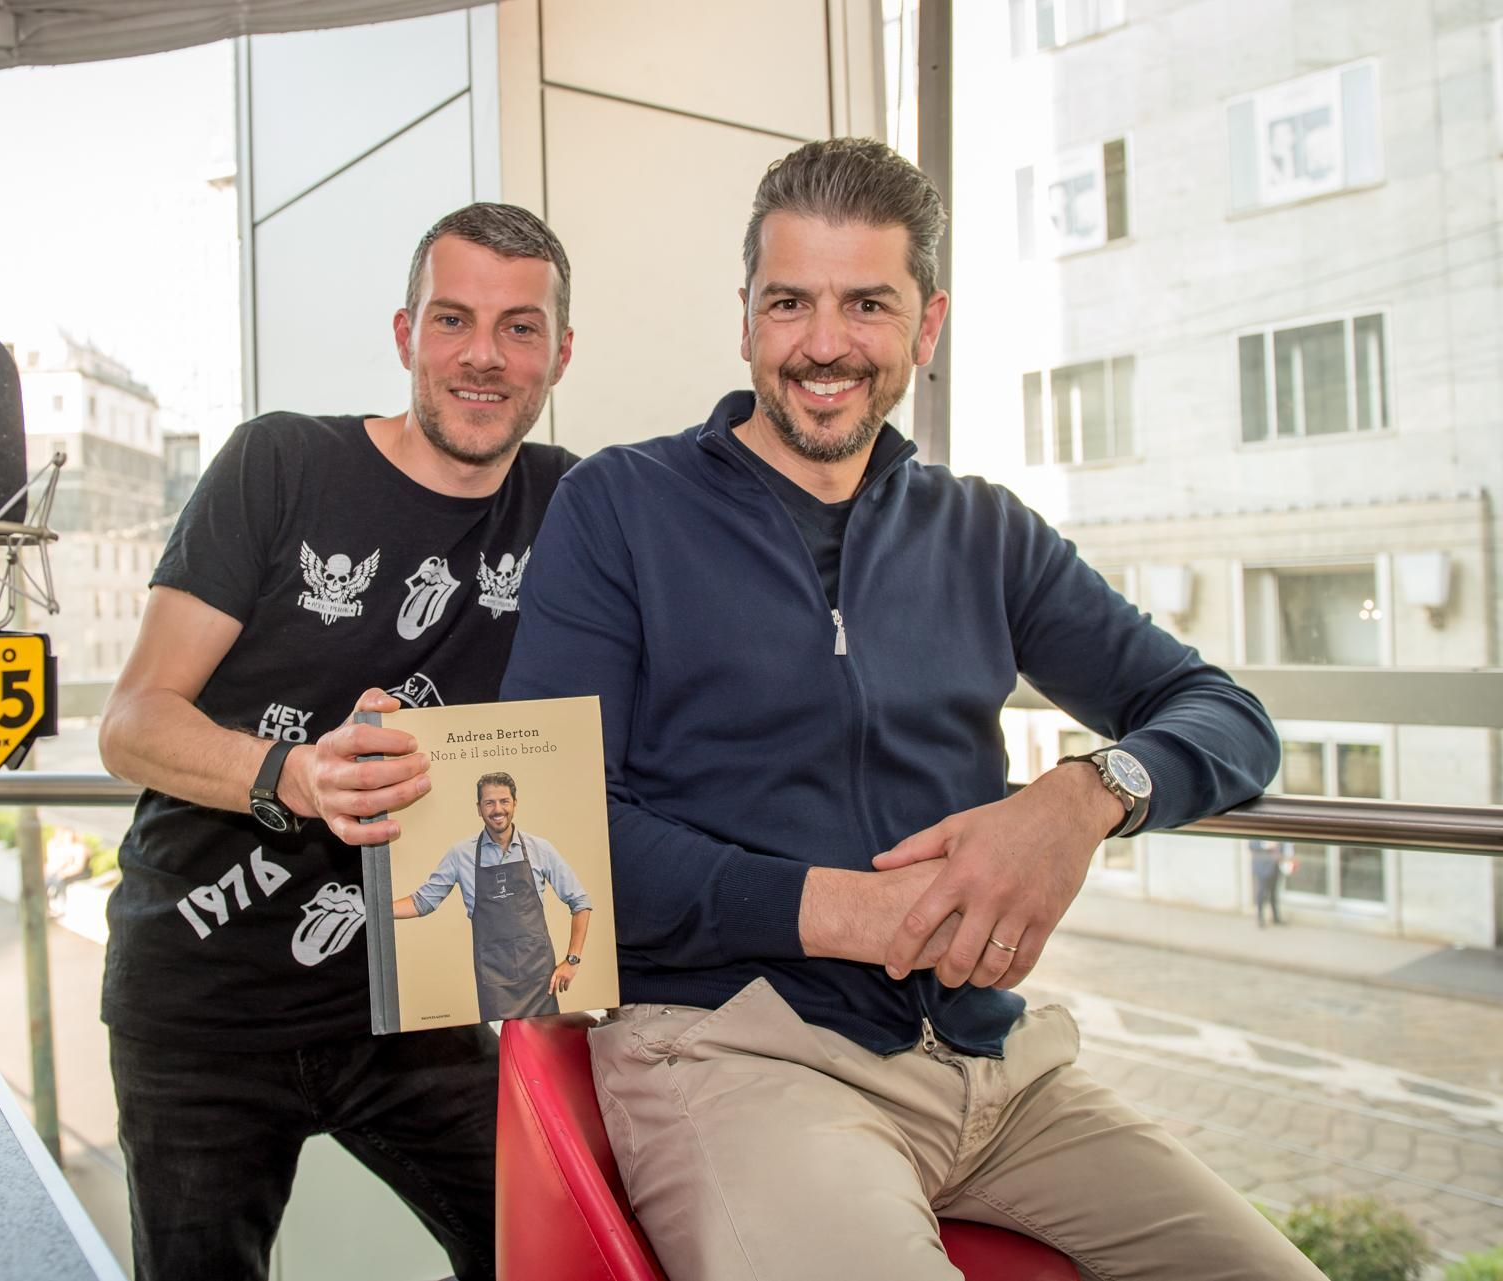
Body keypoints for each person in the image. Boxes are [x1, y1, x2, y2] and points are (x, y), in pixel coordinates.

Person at [501, 137, 1320, 1279]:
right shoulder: (619, 506)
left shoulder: (985, 530)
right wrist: (851, 913)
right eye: (790, 302)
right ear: (746, 319)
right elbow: (553, 835)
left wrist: (1085, 796)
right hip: (737, 1057)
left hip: (1001, 1072)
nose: (823, 343)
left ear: (927, 327)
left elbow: (1226, 716)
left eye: (867, 304)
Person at [97, 203, 576, 1281]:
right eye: (453, 319)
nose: (484, 356)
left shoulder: (569, 502)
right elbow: (131, 722)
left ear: (560, 353)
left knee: (549, 1255)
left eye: (520, 327)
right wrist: (297, 774)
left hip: (413, 1007)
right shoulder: (280, 462)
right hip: (202, 1002)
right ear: (406, 335)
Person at [392, 770, 593, 1019]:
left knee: (542, 1042)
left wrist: (572, 960)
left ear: (515, 804)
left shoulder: (540, 849)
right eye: (489, 803)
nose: (498, 809)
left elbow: (580, 902)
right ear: (479, 808)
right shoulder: (460, 855)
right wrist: (375, 910)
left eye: (504, 801)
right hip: (493, 978)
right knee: (504, 1042)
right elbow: (422, 902)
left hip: (539, 977)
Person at [1251, 836, 1287, 927]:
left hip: (1275, 866)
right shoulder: (1257, 833)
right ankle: (1260, 918)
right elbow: (1252, 845)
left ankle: (1275, 917)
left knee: (1273, 893)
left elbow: (1282, 846)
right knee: (1262, 893)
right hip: (1263, 867)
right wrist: (1267, 845)